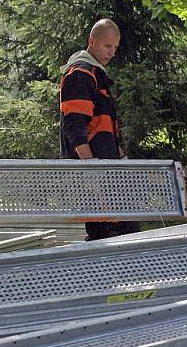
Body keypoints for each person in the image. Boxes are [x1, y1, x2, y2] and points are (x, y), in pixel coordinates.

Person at [59, 18, 141, 240]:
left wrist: (121, 159)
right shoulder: (80, 74)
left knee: (124, 232)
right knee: (107, 235)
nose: (112, 52)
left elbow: (106, 129)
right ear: (92, 41)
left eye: (115, 47)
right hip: (96, 175)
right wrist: (91, 171)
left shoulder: (96, 74)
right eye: (107, 46)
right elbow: (75, 127)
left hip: (108, 171)